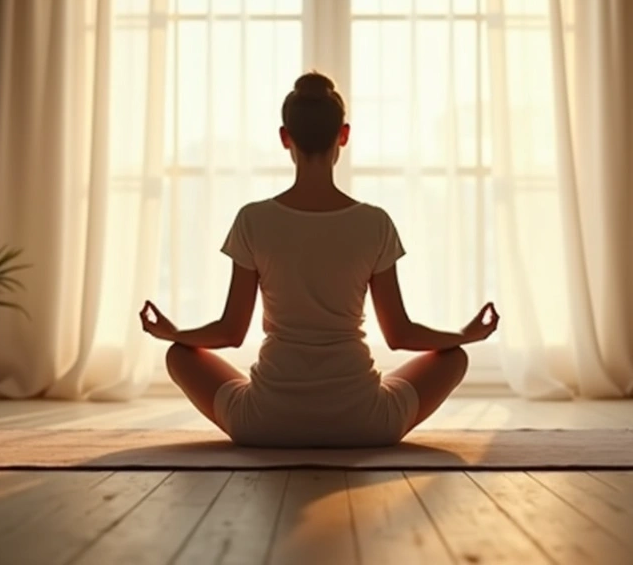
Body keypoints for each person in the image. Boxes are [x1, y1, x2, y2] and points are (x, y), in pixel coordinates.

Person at [138, 72, 500, 448]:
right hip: (366, 423)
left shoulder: (253, 219)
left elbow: (230, 332)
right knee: (454, 358)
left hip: (265, 422)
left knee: (179, 356)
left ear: (285, 137)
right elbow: (399, 335)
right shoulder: (374, 222)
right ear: (343, 135)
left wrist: (173, 333)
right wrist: (465, 335)